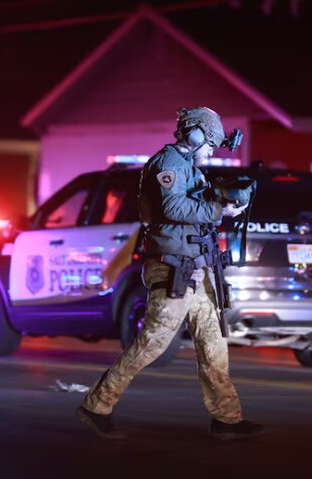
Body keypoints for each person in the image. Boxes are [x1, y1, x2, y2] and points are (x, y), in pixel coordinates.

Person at [77, 106, 264, 441]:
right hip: (173, 268)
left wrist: (222, 198)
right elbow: (172, 207)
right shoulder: (169, 163)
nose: (212, 150)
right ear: (195, 134)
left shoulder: (190, 167)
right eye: (210, 143)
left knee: (213, 343)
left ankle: (227, 420)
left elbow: (194, 205)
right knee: (153, 342)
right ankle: (96, 405)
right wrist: (218, 209)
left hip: (197, 269)